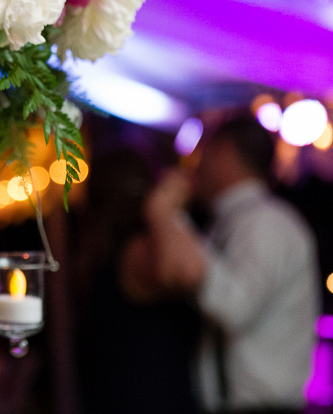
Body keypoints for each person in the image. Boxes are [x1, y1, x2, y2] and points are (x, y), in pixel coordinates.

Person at [145, 117, 320, 414]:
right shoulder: (240, 221)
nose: (196, 166)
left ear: (223, 153)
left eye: (204, 152)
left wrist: (167, 216)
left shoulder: (266, 224)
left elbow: (233, 305)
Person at [73, 148, 202, 414]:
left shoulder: (102, 252)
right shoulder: (136, 253)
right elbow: (190, 272)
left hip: (114, 395)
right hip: (151, 399)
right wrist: (162, 208)